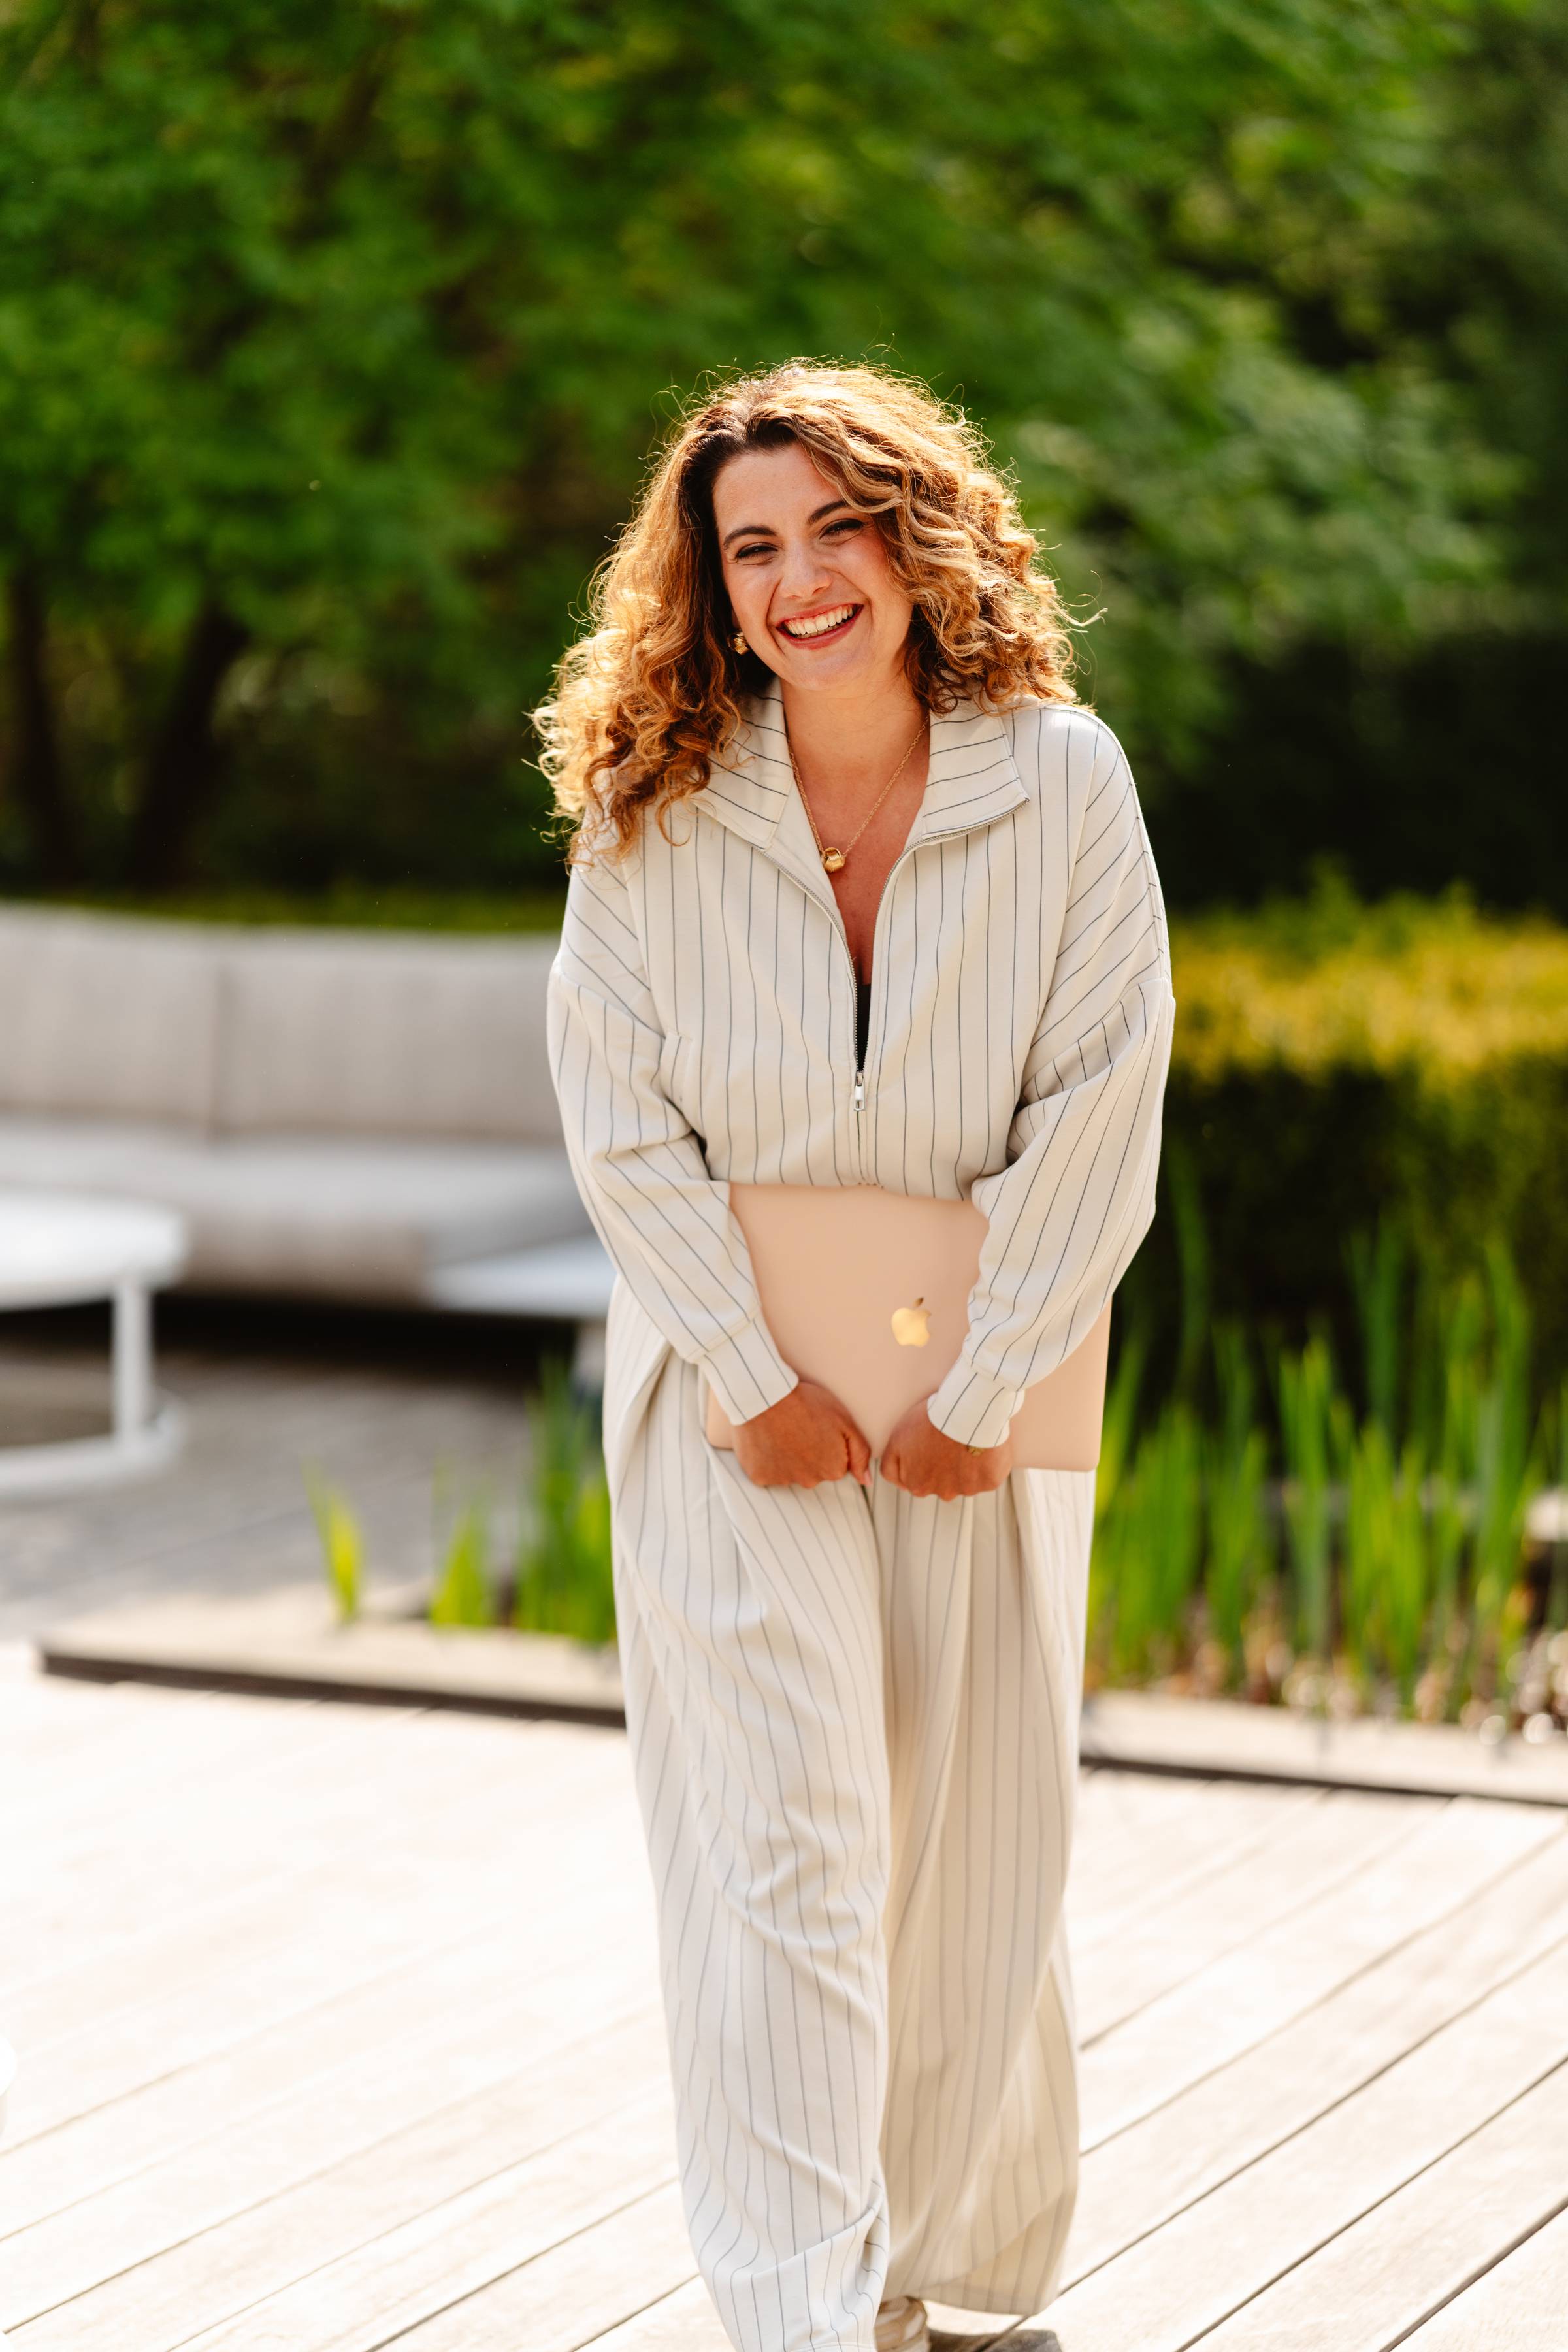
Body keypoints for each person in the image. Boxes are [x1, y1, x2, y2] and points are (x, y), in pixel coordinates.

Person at [540, 363, 1175, 2352]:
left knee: (978, 1857)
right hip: (726, 1408)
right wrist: (749, 1375)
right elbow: (617, 1123)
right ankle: (804, 2311)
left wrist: (981, 1392)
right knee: (785, 1847)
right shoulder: (649, 807)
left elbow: (1105, 1098)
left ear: (917, 540)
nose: (800, 579)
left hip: (988, 1392)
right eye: (752, 548)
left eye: (837, 528)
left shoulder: (1064, 782)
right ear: (712, 589)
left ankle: (940, 2271)